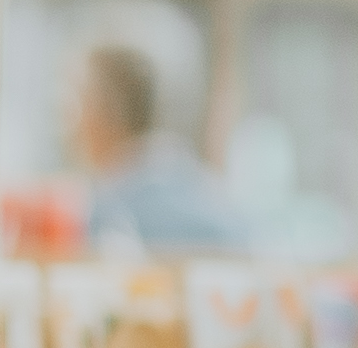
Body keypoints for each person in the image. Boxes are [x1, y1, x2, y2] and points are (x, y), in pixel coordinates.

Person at [62, 39, 245, 249]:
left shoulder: (113, 218)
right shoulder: (202, 188)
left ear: (109, 111)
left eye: (76, 103)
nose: (69, 126)